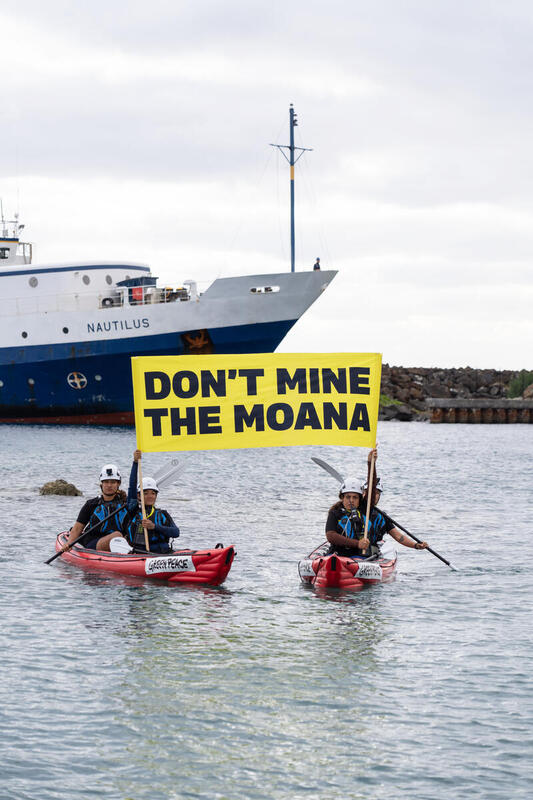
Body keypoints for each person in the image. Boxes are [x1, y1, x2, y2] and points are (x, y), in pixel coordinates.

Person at [358, 448, 429, 555]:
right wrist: (370, 463)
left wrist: (416, 545)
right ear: (362, 492)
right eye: (369, 492)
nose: (374, 495)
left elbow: (398, 537)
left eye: (377, 493)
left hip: (370, 553)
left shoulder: (382, 517)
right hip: (353, 550)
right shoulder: (356, 508)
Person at [119, 450, 180, 553]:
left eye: (153, 493)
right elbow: (132, 486)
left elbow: (176, 532)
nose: (150, 496)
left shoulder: (163, 514)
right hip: (141, 553)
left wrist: (154, 527)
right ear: (139, 496)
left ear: (156, 495)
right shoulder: (134, 511)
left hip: (163, 552)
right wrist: (135, 463)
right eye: (145, 493)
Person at [63, 464, 128, 551]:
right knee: (117, 536)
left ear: (118, 484)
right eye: (106, 482)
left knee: (121, 538)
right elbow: (78, 527)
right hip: (94, 541)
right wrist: (69, 543)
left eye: (113, 482)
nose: (109, 485)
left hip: (121, 543)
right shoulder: (91, 504)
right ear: (101, 484)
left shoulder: (125, 504)